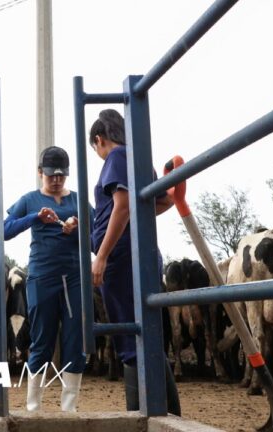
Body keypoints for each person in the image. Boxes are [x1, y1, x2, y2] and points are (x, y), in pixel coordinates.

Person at [88, 108, 181, 415]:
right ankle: (169, 418)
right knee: (147, 336)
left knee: (130, 340)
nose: (99, 155)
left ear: (100, 139)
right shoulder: (140, 158)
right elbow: (162, 201)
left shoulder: (115, 158)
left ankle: (138, 418)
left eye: (96, 149)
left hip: (121, 258)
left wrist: (100, 256)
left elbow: (124, 205)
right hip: (141, 253)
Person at [3, 146, 88, 412]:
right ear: (40, 172)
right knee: (41, 341)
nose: (56, 180)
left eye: (61, 175)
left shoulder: (78, 200)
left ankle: (69, 409)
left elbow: (97, 237)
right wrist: (34, 217)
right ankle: (33, 408)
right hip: (41, 278)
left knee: (75, 342)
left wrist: (78, 229)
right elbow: (4, 230)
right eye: (51, 174)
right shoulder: (29, 200)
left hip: (74, 279)